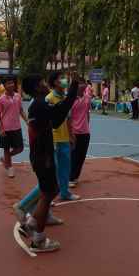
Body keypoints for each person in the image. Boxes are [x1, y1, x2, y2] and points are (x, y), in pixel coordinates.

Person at [15, 74, 79, 253]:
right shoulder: (40, 105)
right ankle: (36, 235)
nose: (46, 84)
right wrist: (74, 87)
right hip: (43, 157)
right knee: (48, 192)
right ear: (37, 87)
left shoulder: (39, 104)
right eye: (43, 82)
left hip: (42, 155)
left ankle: (34, 231)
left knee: (49, 192)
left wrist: (70, 93)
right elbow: (60, 113)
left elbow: (57, 119)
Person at [46, 72, 80, 201]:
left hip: (65, 138)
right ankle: (48, 197)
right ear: (55, 82)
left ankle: (65, 193)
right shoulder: (49, 98)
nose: (65, 80)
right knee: (52, 170)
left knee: (65, 168)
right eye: (62, 78)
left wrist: (71, 135)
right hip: (53, 139)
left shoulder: (66, 98)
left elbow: (68, 118)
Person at [0, 77, 27, 178]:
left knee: (20, 148)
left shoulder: (18, 96)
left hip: (17, 127)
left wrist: (27, 121)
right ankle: (9, 167)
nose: (11, 85)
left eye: (12, 83)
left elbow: (21, 110)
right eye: (8, 83)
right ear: (4, 86)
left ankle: (6, 159)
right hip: (6, 128)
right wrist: (1, 129)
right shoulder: (0, 99)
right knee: (6, 149)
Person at [70, 78, 91, 187]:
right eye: (80, 84)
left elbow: (87, 113)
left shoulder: (88, 98)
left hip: (85, 132)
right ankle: (70, 177)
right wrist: (70, 133)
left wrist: (87, 126)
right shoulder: (70, 99)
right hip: (74, 132)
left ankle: (75, 176)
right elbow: (68, 118)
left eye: (84, 83)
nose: (83, 85)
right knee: (73, 156)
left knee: (81, 156)